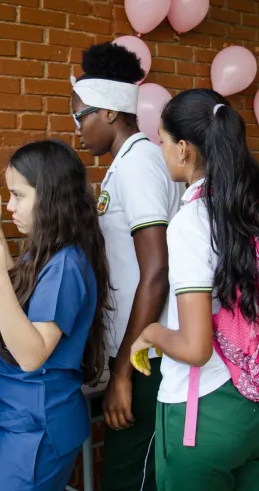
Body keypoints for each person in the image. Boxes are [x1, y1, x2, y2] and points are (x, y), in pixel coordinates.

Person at [130, 89, 259, 491]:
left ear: (183, 149)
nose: (161, 151)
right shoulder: (258, 209)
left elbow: (195, 348)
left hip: (205, 416)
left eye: (162, 141)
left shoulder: (192, 221)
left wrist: (150, 333)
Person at [71, 42, 182, 491]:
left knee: (129, 475)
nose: (77, 129)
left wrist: (122, 372)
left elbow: (156, 270)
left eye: (81, 116)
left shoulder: (138, 165)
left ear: (111, 112)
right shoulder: (126, 164)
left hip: (145, 356)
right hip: (135, 351)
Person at [0, 140, 111, 491]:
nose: (10, 206)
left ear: (50, 197)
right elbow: (24, 304)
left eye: (18, 195)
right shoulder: (46, 249)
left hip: (37, 425)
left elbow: (32, 354)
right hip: (27, 416)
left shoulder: (64, 265)